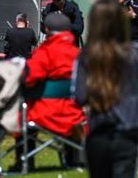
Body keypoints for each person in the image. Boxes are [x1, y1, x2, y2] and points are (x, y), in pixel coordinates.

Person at [72, 0, 138, 178]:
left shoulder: (86, 57)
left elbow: (79, 96)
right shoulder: (136, 55)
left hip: (99, 131)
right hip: (128, 131)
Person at [11, 13, 85, 171]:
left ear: (47, 30)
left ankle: (24, 161)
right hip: (73, 112)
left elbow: (29, 78)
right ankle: (74, 159)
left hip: (43, 112)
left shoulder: (44, 52)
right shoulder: (78, 55)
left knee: (21, 111)